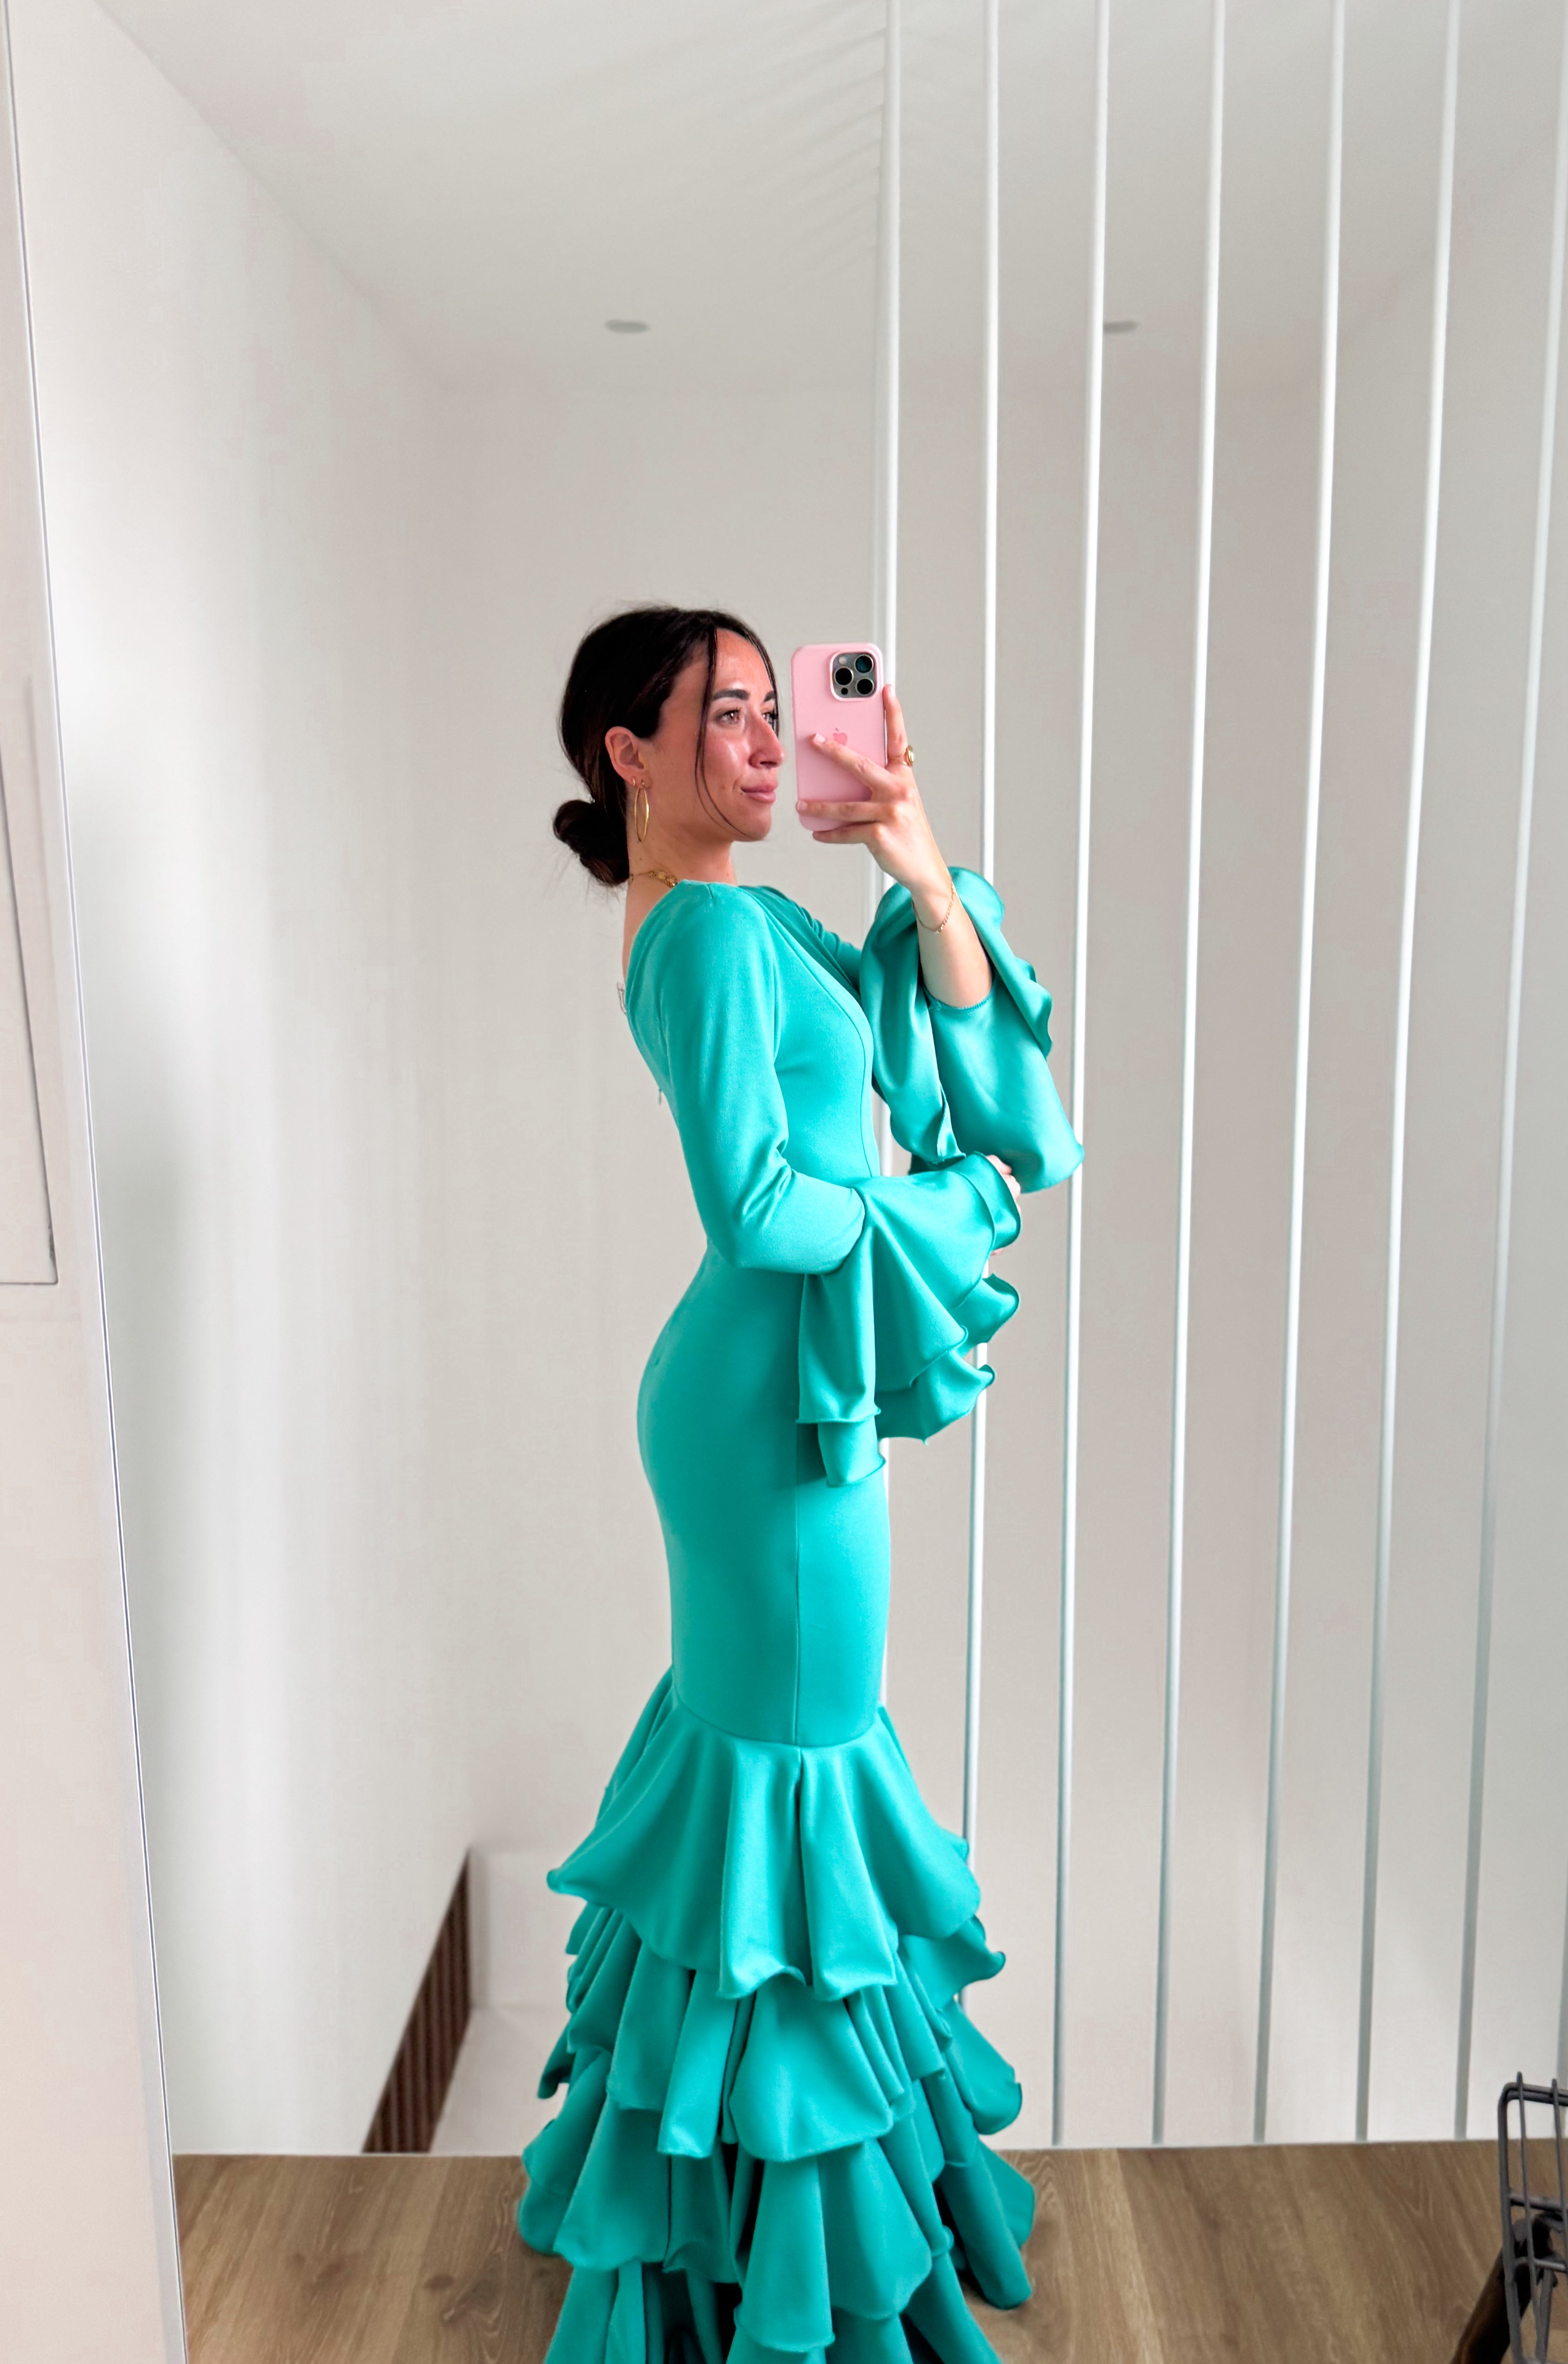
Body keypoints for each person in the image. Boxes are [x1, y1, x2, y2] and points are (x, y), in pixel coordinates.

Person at [523, 605, 1082, 2364]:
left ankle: (729, 2219)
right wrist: (952, 1214)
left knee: (780, 1774)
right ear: (629, 753)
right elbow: (759, 1205)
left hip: (785, 1405)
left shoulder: (752, 915)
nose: (770, 742)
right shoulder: (696, 934)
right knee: (791, 1779)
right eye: (730, 714)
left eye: (781, 709)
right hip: (764, 1419)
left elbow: (934, 1062)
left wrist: (915, 863)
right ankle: (762, 2254)